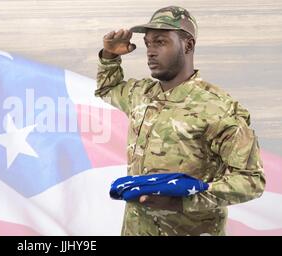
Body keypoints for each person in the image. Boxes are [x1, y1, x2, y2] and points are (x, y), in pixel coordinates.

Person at [95, 6, 266, 236]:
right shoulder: (141, 95)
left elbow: (251, 180)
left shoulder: (217, 108)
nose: (151, 52)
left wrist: (183, 201)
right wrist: (110, 56)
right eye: (148, 44)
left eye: (161, 42)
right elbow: (108, 88)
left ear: (188, 45)